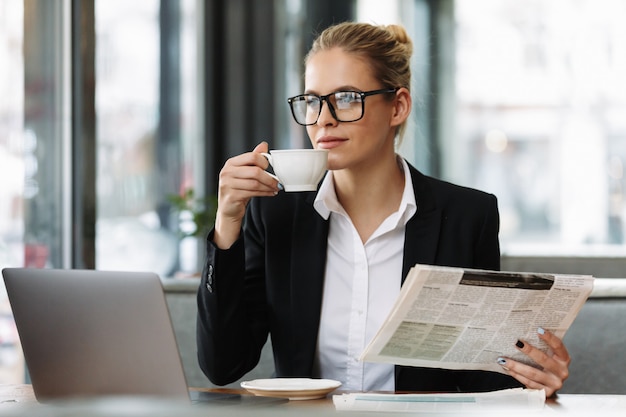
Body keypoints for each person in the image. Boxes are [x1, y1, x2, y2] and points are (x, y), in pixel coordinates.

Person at [196, 21, 570, 396]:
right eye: (311, 100)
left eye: (346, 98)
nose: (323, 118)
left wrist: (533, 380)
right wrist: (227, 225)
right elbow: (223, 364)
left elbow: (478, 375)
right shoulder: (276, 215)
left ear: (398, 106)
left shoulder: (466, 216)